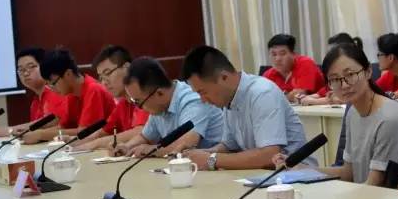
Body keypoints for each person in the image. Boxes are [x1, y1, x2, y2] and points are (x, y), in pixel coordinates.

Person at [276, 43, 398, 186]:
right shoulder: (353, 112)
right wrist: (301, 169)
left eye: (351, 75)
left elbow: (375, 185)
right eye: (335, 79)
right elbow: (349, 173)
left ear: (368, 72)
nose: (344, 85)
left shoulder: (390, 118)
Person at [181, 45, 314, 170]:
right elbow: (230, 146)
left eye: (203, 92)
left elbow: (269, 155)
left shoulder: (262, 93)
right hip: (261, 175)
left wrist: (211, 159)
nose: (203, 100)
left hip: (296, 175)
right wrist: (203, 154)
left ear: (224, 77)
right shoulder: (228, 99)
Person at [110, 56, 224, 158]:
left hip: (218, 164)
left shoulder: (192, 100)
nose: (139, 108)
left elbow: (186, 144)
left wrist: (151, 150)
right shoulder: (159, 107)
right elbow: (145, 137)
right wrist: (127, 146)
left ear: (159, 93)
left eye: (139, 102)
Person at [21, 47, 116, 144]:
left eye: (53, 83)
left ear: (68, 74)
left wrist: (42, 134)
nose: (52, 89)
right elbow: (64, 127)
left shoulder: (93, 90)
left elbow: (84, 132)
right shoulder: (71, 94)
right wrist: (34, 133)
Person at [70, 45, 149, 151]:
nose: (104, 82)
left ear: (127, 67)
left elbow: (141, 132)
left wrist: (96, 143)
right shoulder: (123, 103)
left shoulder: (144, 93)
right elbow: (102, 133)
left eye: (107, 73)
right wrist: (71, 143)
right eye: (101, 77)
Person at [0, 47, 67, 137]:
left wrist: (11, 130)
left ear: (44, 67)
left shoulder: (54, 91)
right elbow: (36, 129)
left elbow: (52, 121)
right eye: (21, 70)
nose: (25, 73)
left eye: (31, 67)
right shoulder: (35, 101)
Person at [300, 32, 362, 106]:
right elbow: (322, 93)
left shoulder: (356, 72)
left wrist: (314, 101)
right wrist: (305, 97)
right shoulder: (335, 76)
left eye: (332, 54)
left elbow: (341, 99)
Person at [262, 34, 325, 103]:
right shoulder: (268, 74)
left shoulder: (305, 63)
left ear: (293, 54)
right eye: (274, 54)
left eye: (282, 54)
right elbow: (263, 98)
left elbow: (298, 95)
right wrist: (288, 96)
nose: (277, 59)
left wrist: (278, 97)